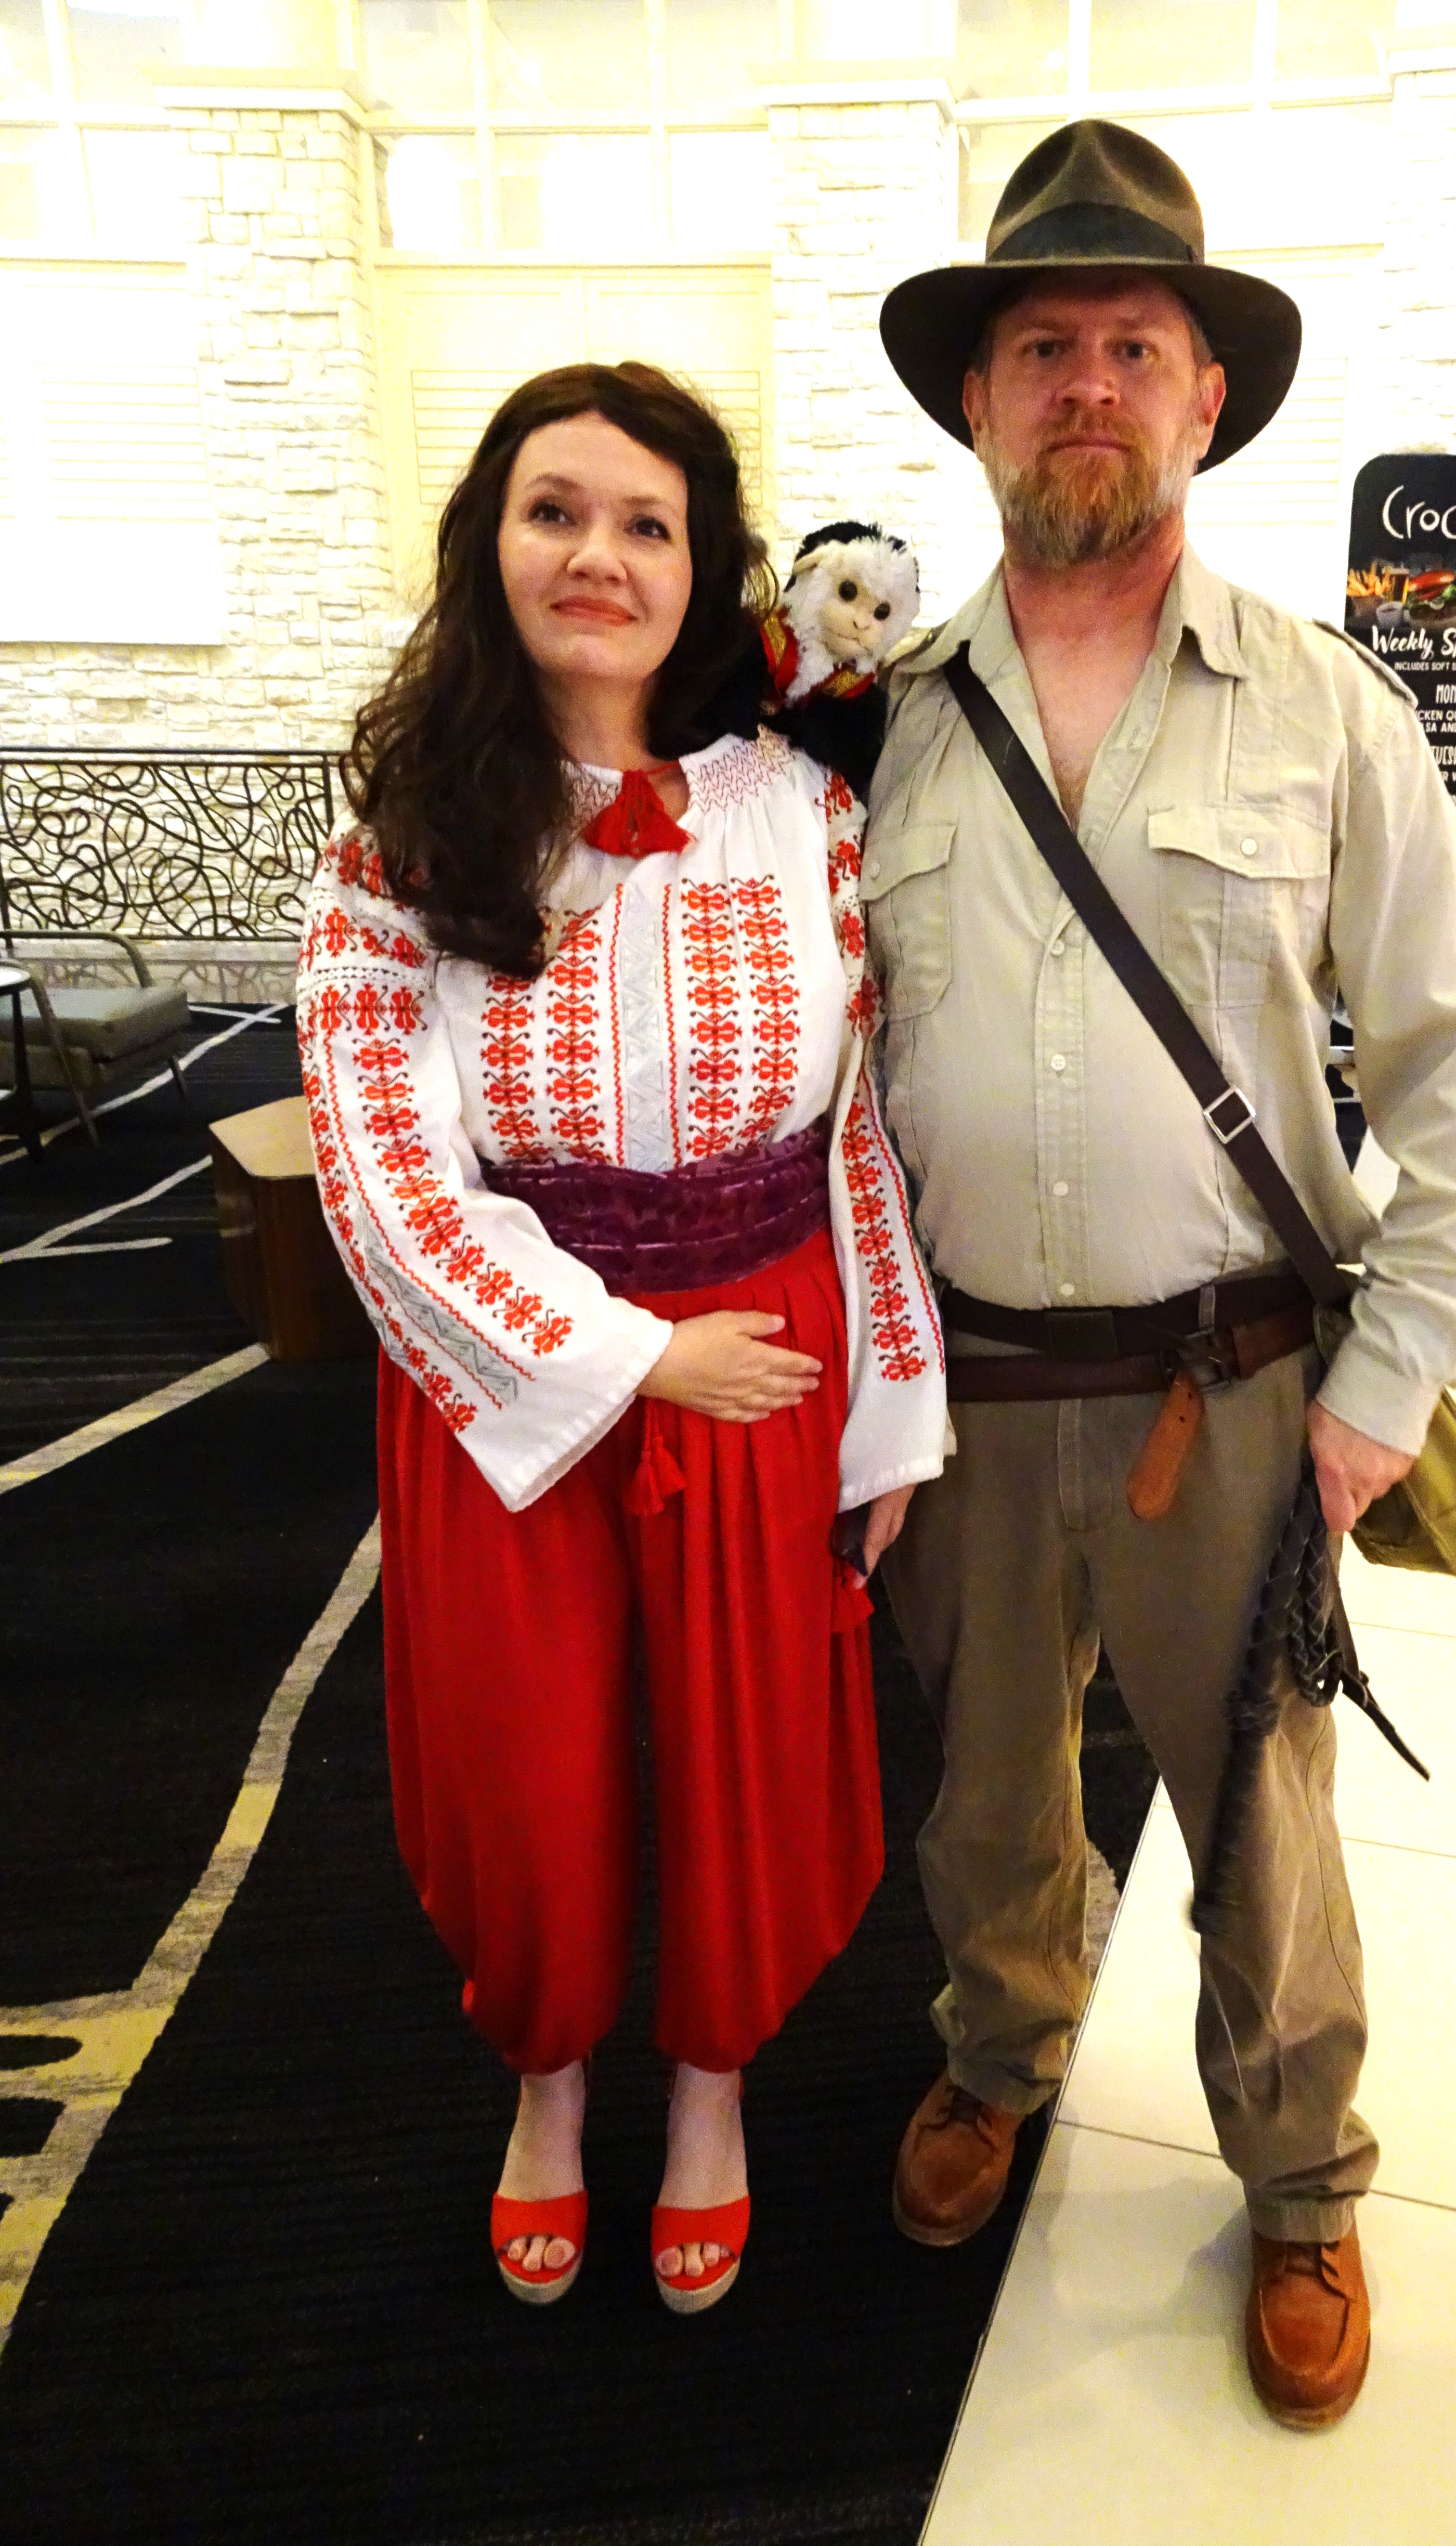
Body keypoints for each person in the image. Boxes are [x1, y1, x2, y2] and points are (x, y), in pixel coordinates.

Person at [865, 121, 1456, 2430]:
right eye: (1039, 347)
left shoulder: (1324, 705)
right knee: (981, 1791)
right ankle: (998, 2050)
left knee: (1256, 1818)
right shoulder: (878, 721)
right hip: (960, 1390)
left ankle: (1297, 2173)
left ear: (1203, 401)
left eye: (1130, 348)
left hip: (1232, 1383)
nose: (1085, 384)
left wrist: (1382, 1386)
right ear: (976, 403)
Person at [295, 362, 945, 2316]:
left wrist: (887, 1412)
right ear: (488, 544)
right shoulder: (405, 840)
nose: (599, 554)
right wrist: (624, 1357)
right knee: (530, 1759)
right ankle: (551, 2083)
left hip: (775, 1342)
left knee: (744, 1746)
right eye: (554, 510)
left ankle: (712, 2093)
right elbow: (379, 1164)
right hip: (514, 1367)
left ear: (704, 570)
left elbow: (860, 1130)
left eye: (647, 523)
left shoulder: (810, 814)